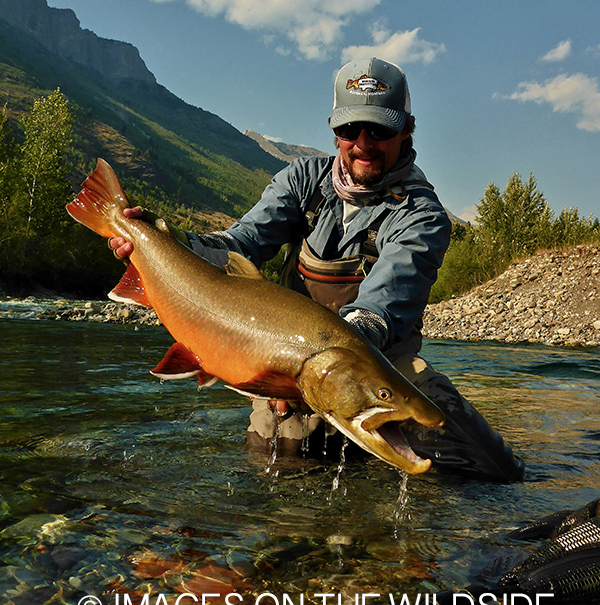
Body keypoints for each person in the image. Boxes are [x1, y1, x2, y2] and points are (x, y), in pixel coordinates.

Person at [110, 57, 524, 481]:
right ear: (334, 130)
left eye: (379, 130)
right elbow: (239, 246)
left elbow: (381, 308)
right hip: (286, 361)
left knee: (486, 465)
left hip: (377, 366)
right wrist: (163, 241)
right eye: (349, 130)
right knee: (279, 475)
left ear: (406, 129)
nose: (362, 143)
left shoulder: (421, 215)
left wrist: (328, 374)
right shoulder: (303, 180)